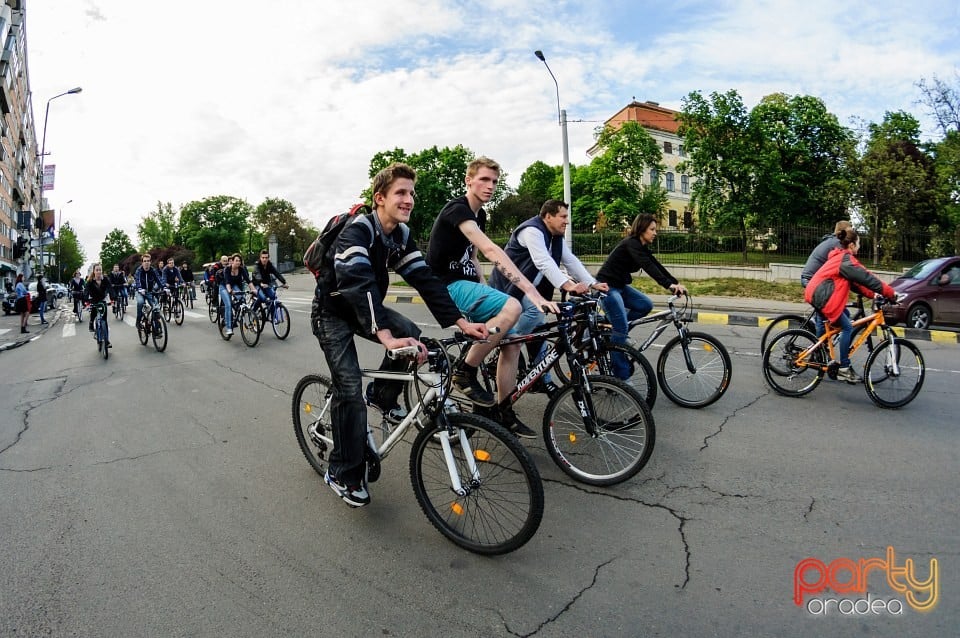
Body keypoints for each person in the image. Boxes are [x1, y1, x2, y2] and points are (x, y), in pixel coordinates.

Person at [317, 162, 488, 507]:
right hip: (333, 313)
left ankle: (382, 395)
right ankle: (341, 471)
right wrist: (383, 334)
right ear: (379, 198)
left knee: (412, 333)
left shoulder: (400, 236)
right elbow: (357, 282)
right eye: (401, 192)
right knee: (348, 386)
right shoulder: (358, 231)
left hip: (364, 309)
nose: (409, 199)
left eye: (411, 193)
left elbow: (424, 278)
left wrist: (460, 322)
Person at [426, 157, 559, 438]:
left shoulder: (480, 215)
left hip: (466, 284)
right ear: (469, 180)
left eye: (495, 182)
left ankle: (503, 410)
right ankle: (464, 371)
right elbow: (489, 250)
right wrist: (531, 291)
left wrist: (486, 288)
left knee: (511, 343)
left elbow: (472, 257)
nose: (490, 186)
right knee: (514, 307)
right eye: (484, 180)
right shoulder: (458, 209)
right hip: (445, 286)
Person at [489, 199, 609, 395]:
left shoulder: (555, 237)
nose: (566, 221)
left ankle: (541, 378)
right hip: (508, 289)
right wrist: (568, 285)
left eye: (566, 217)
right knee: (535, 318)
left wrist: (591, 283)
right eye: (562, 217)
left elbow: (570, 261)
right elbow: (543, 262)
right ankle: (504, 342)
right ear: (548, 216)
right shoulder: (532, 231)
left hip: (532, 292)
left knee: (541, 332)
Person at [595, 214, 688, 379]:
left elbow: (655, 264)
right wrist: (668, 285)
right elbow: (648, 266)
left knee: (645, 305)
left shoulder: (641, 246)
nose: (655, 233)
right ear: (641, 229)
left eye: (655, 230)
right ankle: (621, 378)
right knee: (621, 329)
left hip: (620, 287)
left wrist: (674, 284)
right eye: (652, 229)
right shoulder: (631, 243)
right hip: (607, 287)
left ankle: (614, 332)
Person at [805, 227, 896, 384]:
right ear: (852, 245)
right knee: (847, 327)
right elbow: (867, 277)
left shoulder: (842, 258)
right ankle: (844, 368)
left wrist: (874, 294)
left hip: (817, 293)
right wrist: (890, 293)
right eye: (859, 243)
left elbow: (857, 284)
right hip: (822, 296)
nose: (860, 247)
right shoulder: (846, 260)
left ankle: (820, 353)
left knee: (842, 320)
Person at [800, 220, 853, 337]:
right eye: (850, 231)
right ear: (843, 232)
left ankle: (821, 336)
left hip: (813, 279)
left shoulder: (832, 241)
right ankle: (820, 350)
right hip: (812, 281)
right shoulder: (838, 244)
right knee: (823, 317)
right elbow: (844, 267)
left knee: (841, 312)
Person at [221, 253, 256, 336]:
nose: (238, 262)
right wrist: (229, 290)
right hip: (224, 287)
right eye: (236, 260)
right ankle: (229, 328)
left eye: (239, 261)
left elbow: (248, 280)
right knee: (228, 305)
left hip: (234, 286)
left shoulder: (241, 269)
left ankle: (239, 315)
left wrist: (254, 289)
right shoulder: (227, 269)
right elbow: (227, 282)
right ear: (232, 261)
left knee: (242, 300)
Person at [251, 249, 287, 315]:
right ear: (260, 258)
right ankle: (252, 312)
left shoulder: (269, 265)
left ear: (268, 258)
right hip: (257, 285)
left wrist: (284, 282)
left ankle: (273, 316)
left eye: (266, 258)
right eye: (263, 258)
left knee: (273, 296)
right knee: (263, 298)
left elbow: (277, 273)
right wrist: (261, 283)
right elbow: (257, 274)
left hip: (266, 285)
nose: (264, 259)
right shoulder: (257, 265)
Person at [85, 263, 114, 346]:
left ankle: (107, 340)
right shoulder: (90, 281)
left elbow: (110, 288)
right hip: (94, 299)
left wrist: (113, 297)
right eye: (97, 270)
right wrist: (86, 300)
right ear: (94, 271)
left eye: (100, 270)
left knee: (104, 320)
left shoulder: (105, 279)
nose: (98, 271)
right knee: (94, 311)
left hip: (102, 299)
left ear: (102, 271)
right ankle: (91, 322)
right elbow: (86, 291)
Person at [134, 254, 163, 326]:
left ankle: (157, 329)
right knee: (140, 302)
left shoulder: (153, 270)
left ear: (150, 262)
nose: (146, 262)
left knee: (156, 307)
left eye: (148, 261)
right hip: (140, 292)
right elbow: (137, 280)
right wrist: (140, 288)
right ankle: (138, 320)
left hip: (150, 291)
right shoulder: (139, 270)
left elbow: (159, 279)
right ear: (142, 263)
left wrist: (164, 287)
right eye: (145, 261)